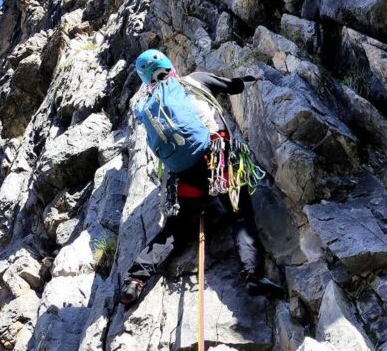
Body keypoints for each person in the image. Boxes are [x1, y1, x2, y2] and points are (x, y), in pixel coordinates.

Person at [118, 49, 284, 307]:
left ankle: (135, 280)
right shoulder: (195, 80)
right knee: (239, 213)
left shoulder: (151, 106)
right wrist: (254, 77)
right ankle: (252, 274)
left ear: (146, 80)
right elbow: (233, 86)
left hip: (185, 177)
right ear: (169, 65)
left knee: (175, 230)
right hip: (218, 162)